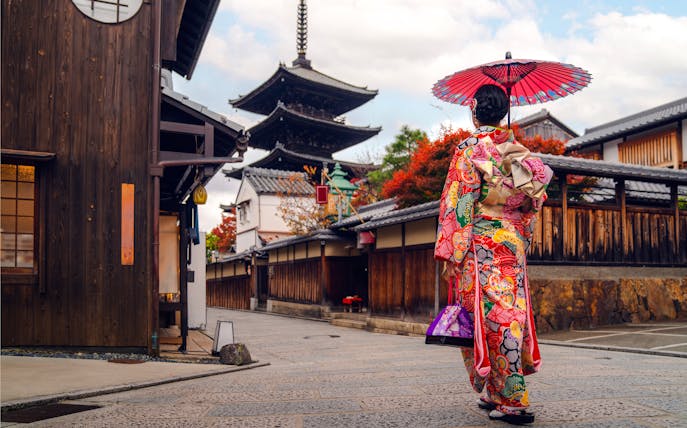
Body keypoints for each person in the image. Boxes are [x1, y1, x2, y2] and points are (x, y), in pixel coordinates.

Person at [434, 84, 553, 425]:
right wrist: (518, 231)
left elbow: (459, 201)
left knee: (489, 318)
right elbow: (534, 201)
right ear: (503, 111)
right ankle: (494, 391)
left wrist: (453, 252)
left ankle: (513, 400)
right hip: (510, 244)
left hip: (480, 244)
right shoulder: (520, 152)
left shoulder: (469, 149)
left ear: (474, 109)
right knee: (509, 313)